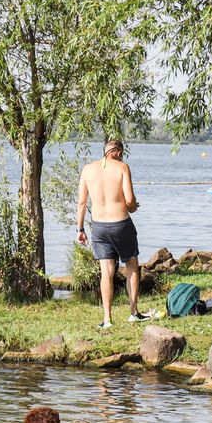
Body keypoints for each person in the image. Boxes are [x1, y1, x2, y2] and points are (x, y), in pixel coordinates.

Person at [76, 139, 148, 329]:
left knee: (106, 272)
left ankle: (107, 319)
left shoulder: (87, 169)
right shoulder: (122, 167)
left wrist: (80, 229)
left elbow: (81, 203)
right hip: (121, 224)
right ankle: (133, 312)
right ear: (118, 152)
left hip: (99, 227)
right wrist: (133, 208)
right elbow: (130, 200)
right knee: (131, 264)